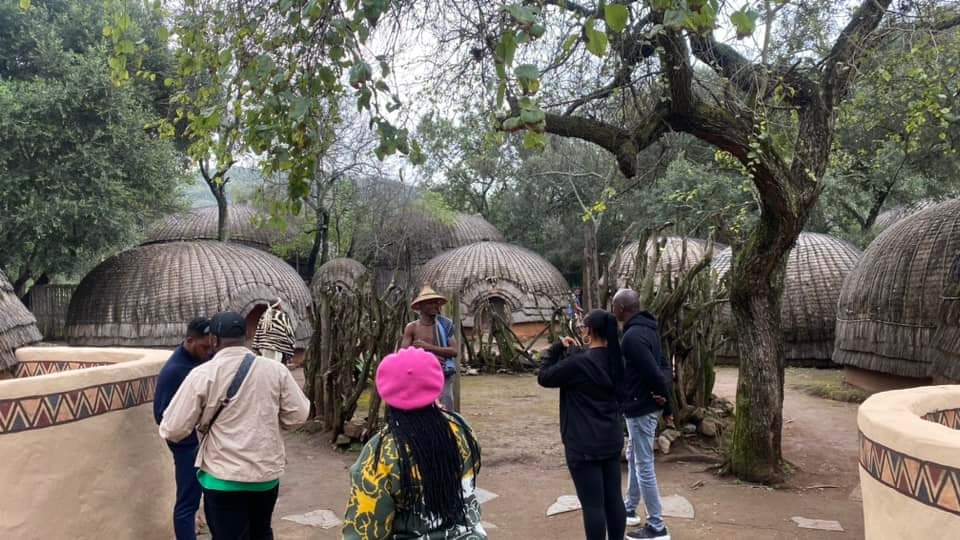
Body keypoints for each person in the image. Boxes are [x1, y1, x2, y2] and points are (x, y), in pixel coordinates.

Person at [160, 311, 310, 540]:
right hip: (264, 477)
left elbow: (172, 428)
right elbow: (298, 415)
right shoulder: (275, 370)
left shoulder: (202, 374)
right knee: (261, 532)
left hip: (222, 479)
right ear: (247, 335)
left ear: (214, 340)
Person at [342, 347, 485, 539]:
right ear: (437, 385)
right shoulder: (461, 428)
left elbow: (364, 532)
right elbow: (472, 468)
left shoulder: (380, 454)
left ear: (386, 393)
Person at [538, 309, 626, 540]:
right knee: (613, 498)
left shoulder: (578, 364)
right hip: (611, 438)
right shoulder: (618, 360)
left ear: (589, 331)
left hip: (583, 442)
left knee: (593, 505)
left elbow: (544, 377)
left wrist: (557, 349)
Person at [612, 289, 672, 540]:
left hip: (640, 408)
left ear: (622, 309)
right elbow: (665, 366)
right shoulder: (648, 329)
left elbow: (657, 373)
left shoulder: (633, 337)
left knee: (644, 465)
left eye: (614, 306)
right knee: (634, 456)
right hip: (643, 405)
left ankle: (657, 527)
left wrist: (665, 401)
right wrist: (661, 397)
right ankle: (629, 509)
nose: (612, 310)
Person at [154, 318, 212, 540]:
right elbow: (161, 415)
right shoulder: (175, 371)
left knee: (210, 497)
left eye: (211, 346)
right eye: (204, 347)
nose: (209, 352)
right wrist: (190, 430)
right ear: (189, 340)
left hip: (204, 442)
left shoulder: (202, 361)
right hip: (187, 446)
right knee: (188, 502)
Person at [401, 286, 459, 410]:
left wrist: (428, 347)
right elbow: (402, 355)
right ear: (420, 307)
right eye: (431, 303)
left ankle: (447, 428)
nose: (436, 305)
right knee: (422, 408)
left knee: (446, 405)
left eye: (437, 302)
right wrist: (421, 358)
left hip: (443, 372)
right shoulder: (412, 328)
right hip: (419, 374)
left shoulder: (445, 325)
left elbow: (454, 351)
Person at [252, 299, 296, 365]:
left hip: (264, 349)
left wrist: (257, 345)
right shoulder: (282, 316)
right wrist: (292, 344)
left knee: (266, 366)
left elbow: (258, 331)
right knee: (277, 369)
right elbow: (289, 332)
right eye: (280, 304)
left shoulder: (264, 315)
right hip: (278, 349)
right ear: (278, 306)